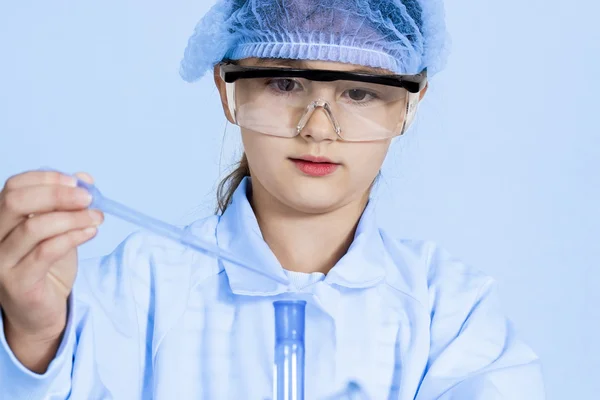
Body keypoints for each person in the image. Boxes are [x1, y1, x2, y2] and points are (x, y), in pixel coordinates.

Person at [0, 0, 545, 398]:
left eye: (359, 92)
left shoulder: (450, 314)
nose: (318, 129)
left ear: (408, 106)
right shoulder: (134, 291)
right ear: (227, 90)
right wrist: (34, 337)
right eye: (285, 83)